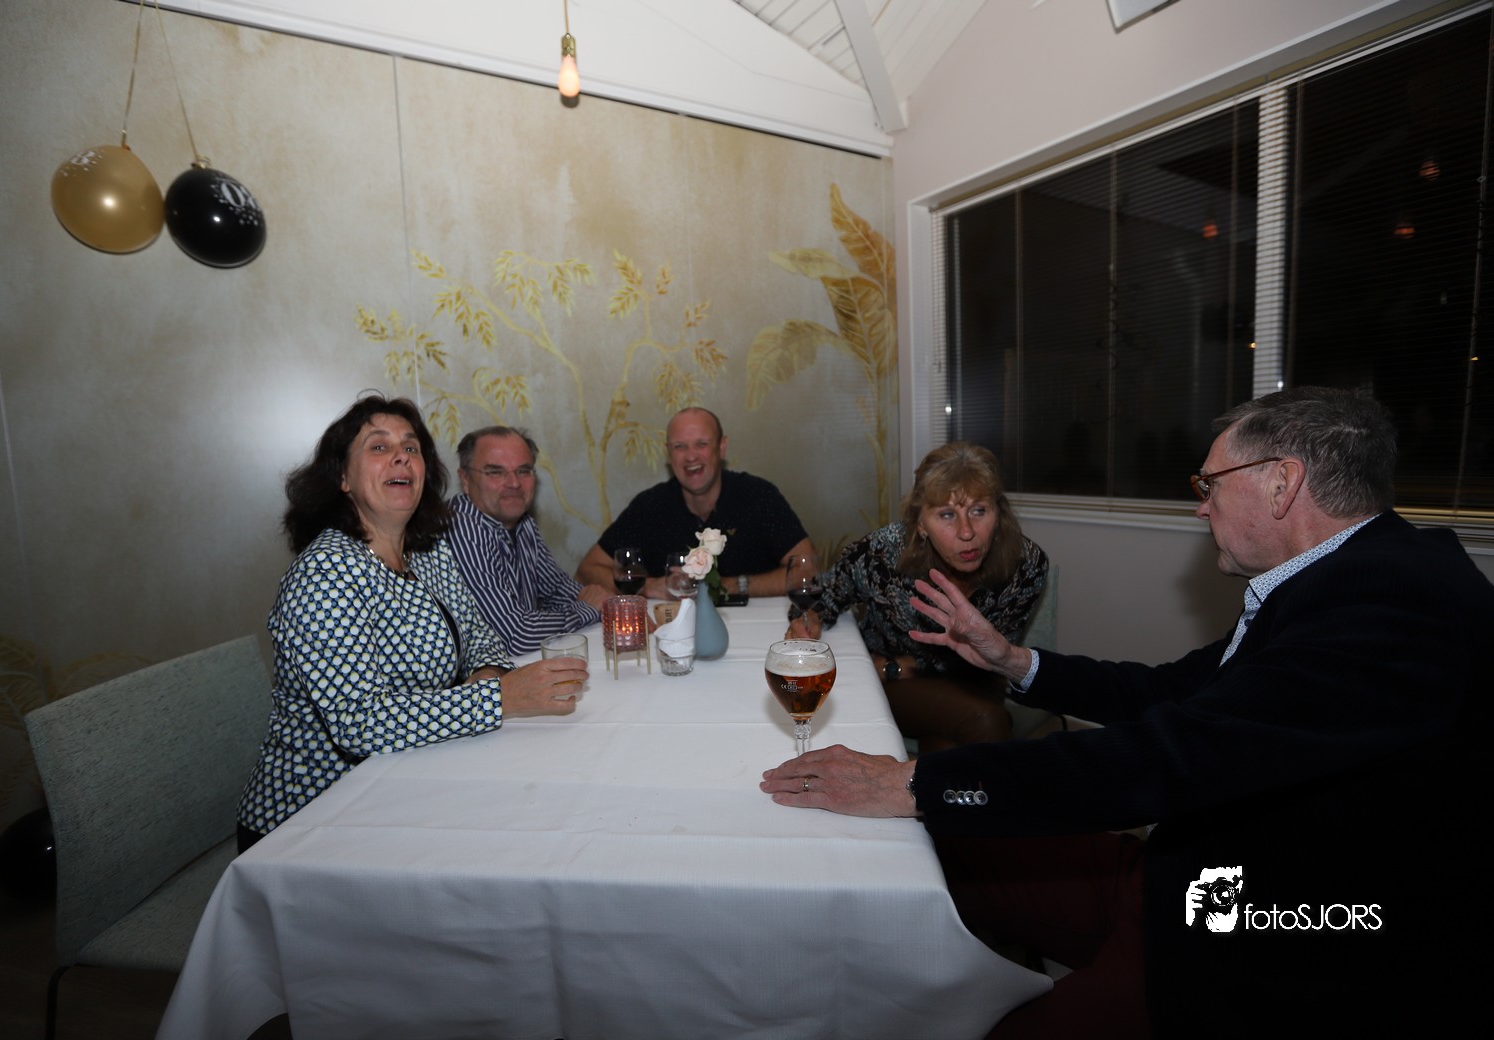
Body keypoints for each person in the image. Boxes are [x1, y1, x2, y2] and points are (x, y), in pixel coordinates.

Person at [760, 387, 1490, 1038]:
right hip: (1185, 874)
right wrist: (1010, 660)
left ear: (1281, 483)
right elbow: (1169, 690)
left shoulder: (1396, 609)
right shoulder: (1340, 579)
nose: (1200, 505)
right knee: (933, 854)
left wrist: (913, 781)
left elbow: (1165, 757)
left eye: (1209, 483)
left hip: (1259, 936)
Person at [236, 396, 586, 849]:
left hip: (409, 781)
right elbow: (360, 722)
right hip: (313, 820)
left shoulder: (428, 551)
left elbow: (479, 635)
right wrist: (498, 698)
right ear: (342, 478)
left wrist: (487, 674)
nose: (401, 456)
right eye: (379, 447)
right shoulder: (325, 574)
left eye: (411, 447)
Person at [785, 442, 1048, 750]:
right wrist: (809, 618)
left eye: (979, 510)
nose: (967, 532)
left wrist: (897, 666)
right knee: (986, 721)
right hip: (900, 688)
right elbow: (820, 596)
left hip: (969, 680)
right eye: (947, 515)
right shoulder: (880, 554)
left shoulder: (1025, 565)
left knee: (948, 748)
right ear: (921, 524)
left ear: (998, 512)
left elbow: (995, 655)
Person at [575, 407, 818, 599]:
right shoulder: (650, 506)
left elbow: (808, 571)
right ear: (668, 454)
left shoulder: (758, 496)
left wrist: (726, 586)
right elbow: (587, 570)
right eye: (680, 447)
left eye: (702, 444)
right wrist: (647, 587)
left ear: (721, 448)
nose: (691, 456)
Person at [448, 425, 612, 655]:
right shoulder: (462, 529)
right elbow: (517, 636)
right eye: (496, 472)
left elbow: (556, 589)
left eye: (524, 470)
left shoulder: (520, 521)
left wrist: (603, 603)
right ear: (465, 479)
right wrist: (587, 609)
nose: (514, 483)